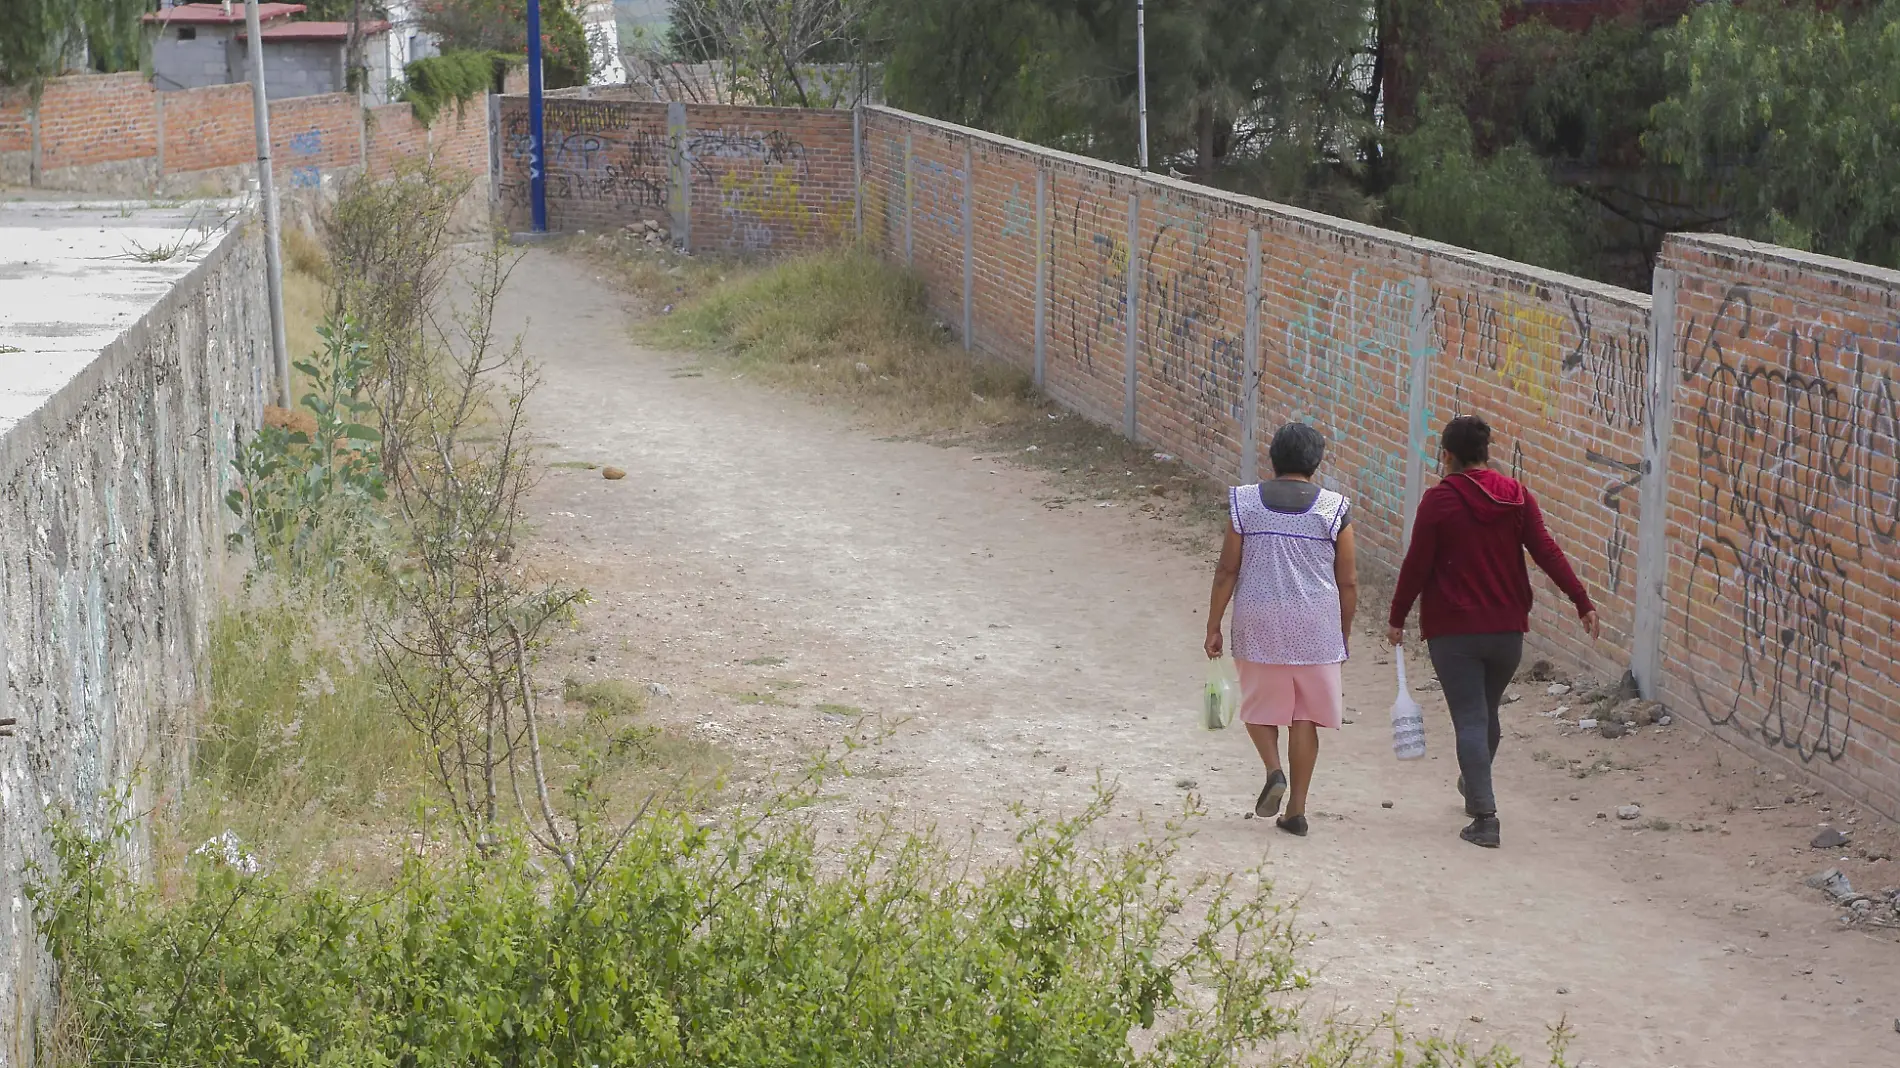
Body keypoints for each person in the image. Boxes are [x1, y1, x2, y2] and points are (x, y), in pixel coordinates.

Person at [1386, 416, 1599, 849]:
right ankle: (1475, 785)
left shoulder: (1439, 502)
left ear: (1446, 455)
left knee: (1470, 719)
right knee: (1485, 714)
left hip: (1454, 632)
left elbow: (1416, 565)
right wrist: (1582, 600)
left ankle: (1485, 818)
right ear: (1486, 453)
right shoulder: (1517, 497)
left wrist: (1397, 617)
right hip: (1507, 631)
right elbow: (1547, 552)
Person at [1205, 423, 1358, 837]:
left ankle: (1274, 771)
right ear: (1316, 462)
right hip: (1317, 625)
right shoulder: (1335, 509)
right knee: (1305, 717)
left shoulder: (1245, 503)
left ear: (1273, 459)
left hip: (1259, 621)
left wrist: (1213, 624)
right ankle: (1296, 810)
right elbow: (1347, 581)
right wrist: (1342, 631)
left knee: (1257, 706)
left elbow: (1227, 570)